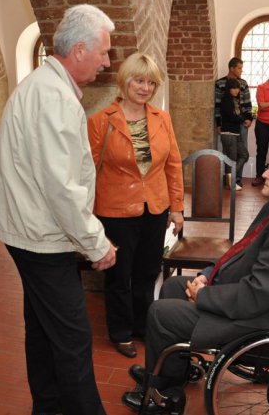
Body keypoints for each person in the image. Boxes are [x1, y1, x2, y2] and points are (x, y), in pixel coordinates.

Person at [122, 145, 269, 412]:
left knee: (161, 314)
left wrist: (204, 295)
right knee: (173, 286)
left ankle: (162, 396)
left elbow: (256, 297)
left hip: (263, 321)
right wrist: (207, 276)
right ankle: (172, 373)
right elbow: (240, 253)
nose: (265, 173)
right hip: (263, 300)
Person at [0, 4, 117, 415]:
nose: (107, 61)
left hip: (31, 230)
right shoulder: (53, 97)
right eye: (103, 52)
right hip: (41, 237)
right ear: (79, 50)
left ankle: (48, 406)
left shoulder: (45, 86)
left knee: (43, 329)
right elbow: (61, 187)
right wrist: (96, 243)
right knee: (73, 336)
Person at [88, 53, 185, 359]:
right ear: (124, 81)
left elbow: (173, 164)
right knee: (119, 275)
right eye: (139, 81)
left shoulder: (162, 118)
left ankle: (143, 325)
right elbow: (87, 171)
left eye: (151, 83)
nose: (145, 88)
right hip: (115, 210)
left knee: (147, 271)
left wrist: (176, 207)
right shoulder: (101, 121)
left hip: (155, 208)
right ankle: (120, 332)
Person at [214, 57, 253, 181]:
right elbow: (218, 105)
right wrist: (218, 123)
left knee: (242, 153)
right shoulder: (220, 83)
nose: (241, 71)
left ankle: (237, 178)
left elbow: (247, 103)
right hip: (228, 125)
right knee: (229, 154)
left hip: (242, 124)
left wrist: (249, 118)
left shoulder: (243, 83)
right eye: (239, 68)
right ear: (232, 68)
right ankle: (229, 180)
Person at [219, 78, 249, 190]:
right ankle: (229, 181)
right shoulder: (226, 100)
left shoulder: (235, 101)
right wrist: (243, 119)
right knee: (231, 160)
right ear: (228, 89)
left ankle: (228, 179)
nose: (236, 90)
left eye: (238, 88)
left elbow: (237, 115)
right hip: (228, 133)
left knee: (244, 155)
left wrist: (243, 118)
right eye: (234, 88)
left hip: (235, 133)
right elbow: (232, 117)